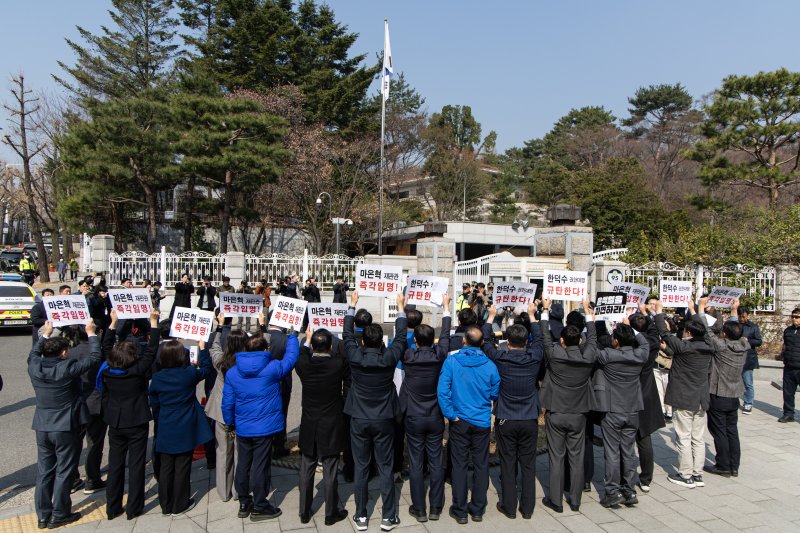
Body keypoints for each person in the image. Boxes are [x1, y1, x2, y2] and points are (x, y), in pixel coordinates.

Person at [343, 290, 407, 532]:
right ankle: (388, 516)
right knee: (386, 467)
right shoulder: (388, 358)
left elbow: (347, 334)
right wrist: (400, 307)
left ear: (362, 341)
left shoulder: (356, 357)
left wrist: (352, 305)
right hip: (383, 419)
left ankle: (361, 516)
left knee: (361, 467)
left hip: (359, 417)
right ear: (382, 342)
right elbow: (401, 337)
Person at [29, 319, 101, 529]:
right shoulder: (67, 369)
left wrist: (45, 335)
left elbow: (33, 353)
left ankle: (43, 516)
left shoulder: (34, 366)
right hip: (65, 426)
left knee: (44, 472)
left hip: (42, 425)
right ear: (62, 353)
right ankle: (59, 513)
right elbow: (95, 357)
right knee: (64, 470)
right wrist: (92, 333)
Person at [222, 327, 299, 522]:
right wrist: (292, 337)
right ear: (266, 350)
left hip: (243, 427)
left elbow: (227, 402)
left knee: (244, 463)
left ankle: (243, 501)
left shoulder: (232, 373)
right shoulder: (272, 368)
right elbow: (290, 359)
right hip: (264, 427)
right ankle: (260, 504)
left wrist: (230, 423)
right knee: (261, 465)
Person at [482, 302, 544, 520]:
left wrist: (490, 318)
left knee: (507, 462)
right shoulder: (534, 357)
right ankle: (527, 508)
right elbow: (540, 339)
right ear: (525, 341)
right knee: (528, 464)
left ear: (507, 342)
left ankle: (509, 506)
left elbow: (486, 341)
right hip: (528, 417)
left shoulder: (500, 357)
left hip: (506, 417)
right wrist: (532, 315)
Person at [585, 305, 649, 508]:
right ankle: (629, 490)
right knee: (629, 452)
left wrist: (591, 320)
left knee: (612, 452)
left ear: (617, 341)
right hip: (632, 409)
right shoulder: (640, 356)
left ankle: (612, 491)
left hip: (612, 410)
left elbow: (591, 346)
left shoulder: (608, 356)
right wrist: (632, 328)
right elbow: (644, 343)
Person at [101, 309, 160, 520]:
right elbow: (152, 350)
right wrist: (154, 324)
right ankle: (134, 508)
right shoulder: (138, 370)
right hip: (137, 420)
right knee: (136, 465)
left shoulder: (108, 370)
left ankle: (112, 507)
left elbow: (106, 347)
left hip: (115, 422)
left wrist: (112, 323)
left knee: (115, 465)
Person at [438, 324, 500, 525]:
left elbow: (443, 391)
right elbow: (494, 392)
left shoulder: (452, 362)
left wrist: (450, 414)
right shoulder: (490, 365)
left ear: (464, 341)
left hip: (459, 421)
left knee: (459, 465)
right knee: (481, 464)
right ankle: (478, 509)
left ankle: (460, 509)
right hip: (481, 421)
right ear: (482, 343)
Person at [539, 300, 596, 513]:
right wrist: (589, 315)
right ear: (579, 340)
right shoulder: (588, 357)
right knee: (576, 457)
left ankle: (555, 500)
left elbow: (545, 336)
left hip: (556, 411)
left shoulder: (554, 355)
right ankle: (575, 499)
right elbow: (593, 340)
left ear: (561, 340)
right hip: (579, 413)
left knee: (556, 456)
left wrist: (544, 310)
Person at [401, 295, 452, 523]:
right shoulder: (439, 356)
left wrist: (402, 309)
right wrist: (447, 308)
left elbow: (401, 337)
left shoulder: (409, 356)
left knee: (416, 462)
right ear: (433, 341)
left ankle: (419, 508)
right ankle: (436, 507)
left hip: (413, 415)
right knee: (435, 461)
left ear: (416, 341)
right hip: (434, 416)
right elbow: (447, 337)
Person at [149, 338, 214, 516]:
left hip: (165, 424)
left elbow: (154, 402)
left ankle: (166, 504)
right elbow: (207, 370)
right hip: (185, 425)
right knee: (183, 465)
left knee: (166, 466)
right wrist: (203, 349)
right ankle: (180, 504)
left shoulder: (157, 378)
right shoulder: (189, 374)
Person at [655, 299, 714, 488]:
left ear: (688, 333)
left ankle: (685, 474)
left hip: (684, 398)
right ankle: (697, 474)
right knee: (698, 438)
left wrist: (659, 313)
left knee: (684, 437)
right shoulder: (709, 347)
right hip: (701, 399)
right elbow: (705, 331)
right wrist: (695, 311)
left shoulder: (684, 347)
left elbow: (664, 332)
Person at [295, 325, 350, 526]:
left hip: (310, 421)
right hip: (331, 422)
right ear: (330, 346)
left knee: (306, 466)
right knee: (330, 468)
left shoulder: (303, 365)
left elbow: (301, 353)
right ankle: (330, 512)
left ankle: (304, 511)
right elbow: (345, 356)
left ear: (313, 348)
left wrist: (307, 339)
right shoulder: (337, 364)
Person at [698, 298, 748, 477]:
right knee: (732, 431)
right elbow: (736, 331)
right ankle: (734, 466)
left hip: (719, 394)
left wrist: (701, 307)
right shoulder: (743, 345)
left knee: (719, 431)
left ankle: (723, 465)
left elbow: (706, 331)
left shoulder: (721, 347)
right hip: (734, 395)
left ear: (724, 335)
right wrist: (734, 311)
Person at [205, 316, 248, 502]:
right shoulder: (248, 365)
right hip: (242, 412)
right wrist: (262, 326)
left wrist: (219, 327)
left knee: (223, 451)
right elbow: (265, 348)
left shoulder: (221, 362)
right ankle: (239, 490)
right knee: (240, 451)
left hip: (222, 411)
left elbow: (213, 347)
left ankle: (223, 491)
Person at [626, 306, 666, 494]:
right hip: (647, 392)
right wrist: (649, 314)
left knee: (624, 438)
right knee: (645, 437)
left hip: (628, 394)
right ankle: (646, 477)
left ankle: (624, 476)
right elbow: (653, 331)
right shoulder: (651, 344)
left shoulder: (628, 344)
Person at [66, 322, 107, 496]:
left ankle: (72, 479)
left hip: (74, 404)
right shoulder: (99, 353)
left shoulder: (69, 353)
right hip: (95, 403)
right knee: (94, 443)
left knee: (74, 443)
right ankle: (92, 479)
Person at [736, 306, 762, 415]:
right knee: (735, 382)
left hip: (748, 358)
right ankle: (734, 401)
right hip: (735, 357)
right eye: (739, 316)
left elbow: (759, 341)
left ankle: (748, 403)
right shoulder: (734, 325)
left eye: (743, 316)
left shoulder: (753, 327)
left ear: (747, 315)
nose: (741, 319)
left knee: (748, 382)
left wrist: (748, 340)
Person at [778, 308, 800, 423]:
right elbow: (785, 347)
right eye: (793, 316)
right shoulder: (788, 331)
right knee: (787, 392)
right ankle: (788, 414)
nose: (794, 319)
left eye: (797, 317)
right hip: (789, 367)